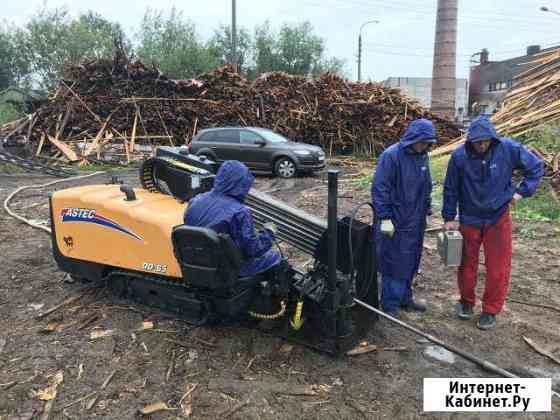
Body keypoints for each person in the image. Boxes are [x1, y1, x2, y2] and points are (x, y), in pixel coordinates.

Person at [442, 116, 544, 330]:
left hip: (498, 217)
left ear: (493, 139)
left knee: (498, 267)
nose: (481, 145)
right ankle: (466, 303)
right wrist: (449, 217)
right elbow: (450, 189)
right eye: (477, 141)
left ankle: (490, 310)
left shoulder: (507, 149)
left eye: (485, 141)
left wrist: (521, 192)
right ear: (470, 141)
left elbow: (536, 167)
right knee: (465, 265)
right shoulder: (459, 157)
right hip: (469, 218)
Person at [372, 118, 437, 317]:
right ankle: (390, 305)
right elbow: (380, 188)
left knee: (411, 260)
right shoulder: (391, 156)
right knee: (394, 262)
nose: (424, 146)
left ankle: (405, 298)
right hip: (396, 222)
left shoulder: (422, 156)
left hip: (415, 221)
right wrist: (384, 217)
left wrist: (427, 206)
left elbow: (425, 184)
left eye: (428, 143)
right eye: (422, 142)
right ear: (413, 138)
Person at [184, 160, 281, 277]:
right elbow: (253, 250)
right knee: (275, 257)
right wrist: (269, 233)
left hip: (197, 264)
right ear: (241, 184)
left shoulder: (196, 200)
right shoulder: (240, 212)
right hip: (227, 270)